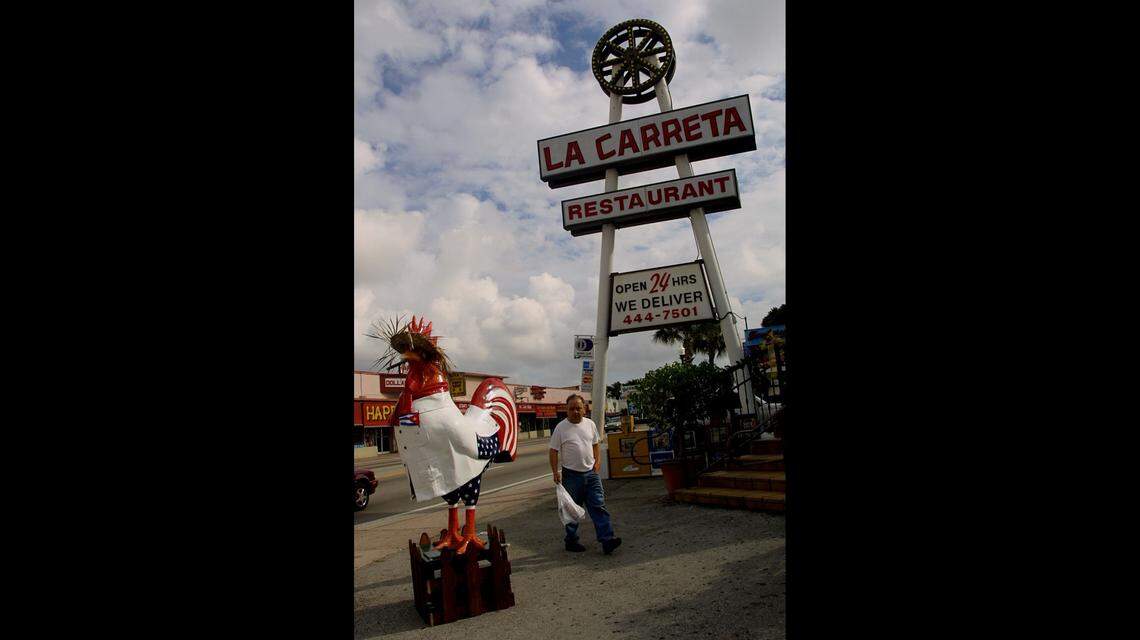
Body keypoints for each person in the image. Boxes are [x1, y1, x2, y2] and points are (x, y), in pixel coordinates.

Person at [549, 394, 622, 555]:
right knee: (572, 510)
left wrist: (597, 462)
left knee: (598, 506)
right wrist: (555, 472)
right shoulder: (561, 428)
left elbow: (595, 444)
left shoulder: (590, 424)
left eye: (578, 408)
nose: (575, 411)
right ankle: (571, 541)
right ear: (566, 410)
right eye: (571, 409)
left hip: (591, 474)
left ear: (584, 409)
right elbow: (553, 451)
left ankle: (607, 540)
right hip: (571, 476)